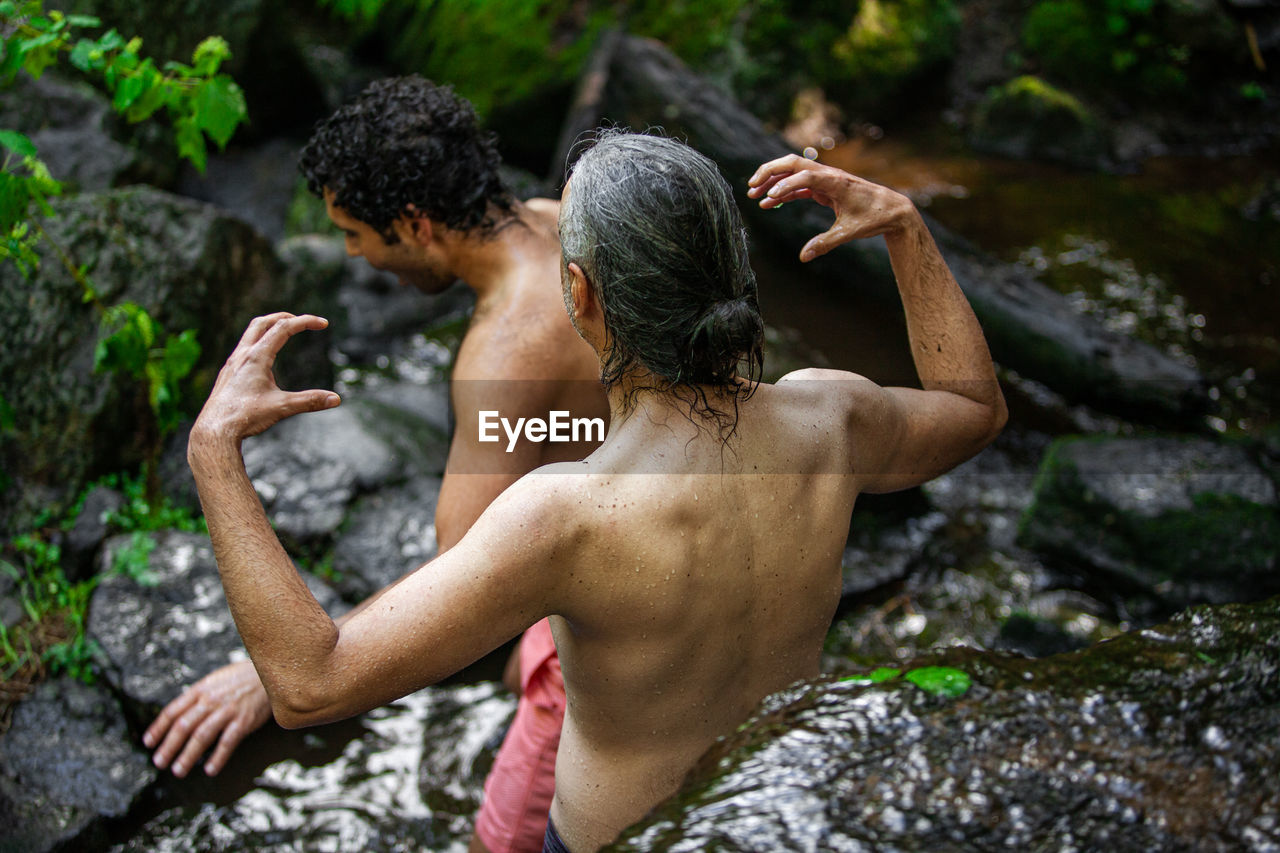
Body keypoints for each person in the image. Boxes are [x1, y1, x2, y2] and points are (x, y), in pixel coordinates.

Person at [181, 131, 1007, 853]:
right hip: (769, 814)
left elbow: (310, 682)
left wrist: (216, 452)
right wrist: (904, 227)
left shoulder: (566, 514)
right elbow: (974, 408)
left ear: (579, 294)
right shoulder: (833, 416)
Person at [142, 77, 606, 853]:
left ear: (417, 223)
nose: (353, 254)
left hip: (604, 635)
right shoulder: (570, 221)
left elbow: (459, 578)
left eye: (356, 233)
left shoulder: (508, 346)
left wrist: (270, 677)